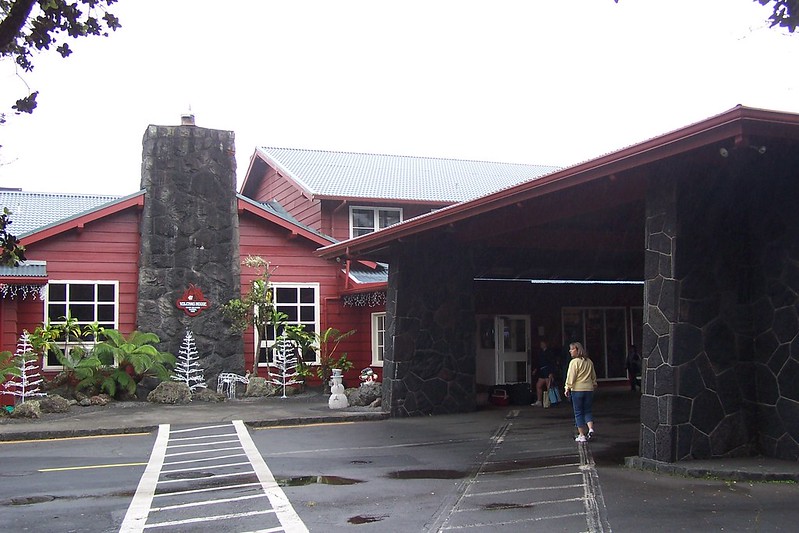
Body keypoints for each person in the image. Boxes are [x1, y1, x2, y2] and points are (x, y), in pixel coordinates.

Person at [564, 341, 597, 442]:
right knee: (587, 410)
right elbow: (593, 376)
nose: (570, 351)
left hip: (577, 390)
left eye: (572, 349)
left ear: (577, 350)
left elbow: (571, 377)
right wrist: (594, 384)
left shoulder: (574, 362)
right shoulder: (589, 362)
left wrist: (567, 387)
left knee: (578, 412)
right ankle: (590, 428)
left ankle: (581, 435)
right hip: (589, 389)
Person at [531, 340, 556, 406]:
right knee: (538, 385)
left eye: (542, 343)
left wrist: (551, 372)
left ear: (546, 344)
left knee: (549, 386)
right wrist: (535, 369)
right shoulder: (540, 352)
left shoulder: (550, 352)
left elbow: (552, 363)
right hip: (541, 371)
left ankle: (550, 401)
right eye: (540, 344)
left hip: (548, 370)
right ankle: (539, 401)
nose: (541, 345)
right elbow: (539, 362)